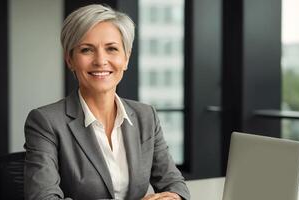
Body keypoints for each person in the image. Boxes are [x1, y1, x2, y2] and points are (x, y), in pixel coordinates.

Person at [24, 4, 190, 200]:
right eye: (86, 50)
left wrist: (174, 198)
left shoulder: (146, 116)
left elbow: (174, 183)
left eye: (112, 49)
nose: (101, 60)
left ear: (126, 58)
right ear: (70, 59)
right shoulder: (45, 122)